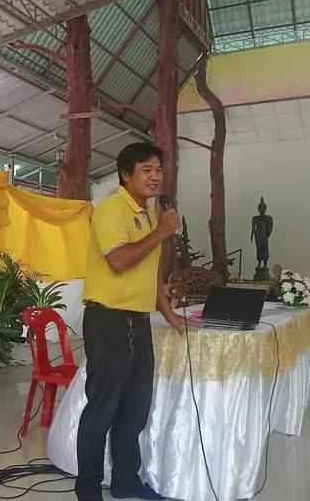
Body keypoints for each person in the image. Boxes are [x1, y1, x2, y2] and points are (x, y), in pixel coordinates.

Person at [75, 143, 198, 501]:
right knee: (102, 409)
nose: (156, 176)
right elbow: (119, 261)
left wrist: (169, 313)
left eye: (159, 170)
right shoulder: (111, 209)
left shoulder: (147, 216)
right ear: (125, 174)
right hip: (109, 321)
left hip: (138, 322)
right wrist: (161, 231)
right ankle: (88, 490)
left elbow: (149, 271)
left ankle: (126, 481)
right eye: (147, 170)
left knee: (135, 408)